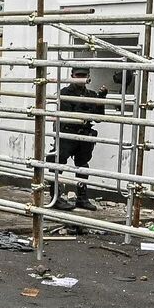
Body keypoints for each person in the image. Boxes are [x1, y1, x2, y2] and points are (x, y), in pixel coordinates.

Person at [50, 66, 107, 210]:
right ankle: (56, 197)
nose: (81, 78)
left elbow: (98, 117)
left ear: (88, 77)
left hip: (83, 135)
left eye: (83, 75)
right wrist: (89, 110)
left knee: (82, 166)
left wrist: (101, 99)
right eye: (78, 75)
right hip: (67, 134)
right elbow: (70, 113)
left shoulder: (92, 94)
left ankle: (82, 198)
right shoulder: (64, 93)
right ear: (72, 76)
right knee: (57, 164)